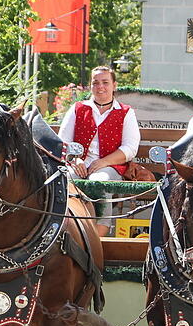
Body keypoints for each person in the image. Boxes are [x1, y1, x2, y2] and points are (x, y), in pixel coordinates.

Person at [58, 66, 141, 236]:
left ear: (114, 85)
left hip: (111, 165)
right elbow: (63, 142)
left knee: (99, 181)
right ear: (90, 86)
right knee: (66, 179)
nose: (100, 87)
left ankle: (98, 239)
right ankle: (66, 230)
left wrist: (103, 162)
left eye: (105, 82)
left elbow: (130, 148)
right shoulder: (78, 108)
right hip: (79, 163)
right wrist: (75, 160)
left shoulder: (126, 112)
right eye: (95, 83)